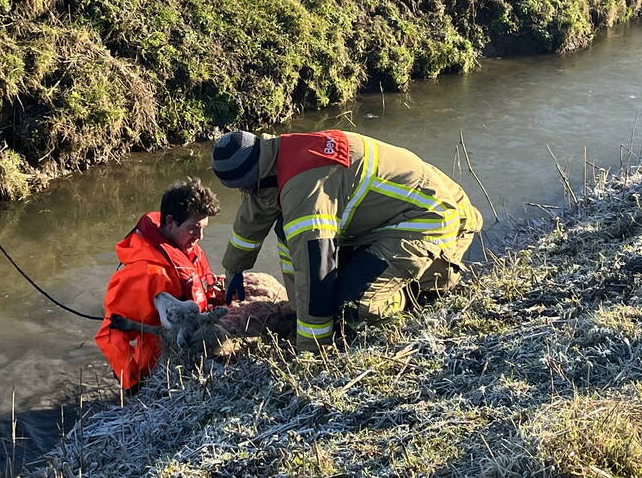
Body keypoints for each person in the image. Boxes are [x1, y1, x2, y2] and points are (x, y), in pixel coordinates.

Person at [212, 130, 482, 353]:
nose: (245, 194)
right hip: (389, 216)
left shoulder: (305, 187)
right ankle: (303, 310)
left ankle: (422, 289)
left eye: (245, 187)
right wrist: (235, 267)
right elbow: (255, 211)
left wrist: (312, 346)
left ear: (253, 177)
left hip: (428, 218)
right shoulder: (274, 155)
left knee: (350, 307)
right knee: (288, 232)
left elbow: (315, 266)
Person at [95, 177, 224, 390]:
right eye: (194, 228)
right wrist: (132, 385)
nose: (200, 236)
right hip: (161, 372)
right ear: (170, 221)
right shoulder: (148, 274)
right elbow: (111, 334)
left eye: (203, 228)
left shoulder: (187, 248)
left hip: (192, 350)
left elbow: (200, 288)